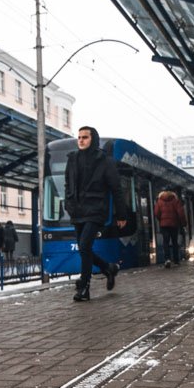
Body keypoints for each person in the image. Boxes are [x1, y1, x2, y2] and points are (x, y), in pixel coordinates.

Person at [63, 125, 128, 302]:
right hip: (77, 211)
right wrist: (69, 204)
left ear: (94, 139)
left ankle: (84, 288)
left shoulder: (105, 161)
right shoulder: (72, 159)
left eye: (85, 137)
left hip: (96, 210)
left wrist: (121, 215)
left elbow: (116, 189)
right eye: (79, 137)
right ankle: (108, 268)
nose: (81, 140)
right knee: (85, 249)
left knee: (84, 246)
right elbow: (67, 184)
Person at [154, 186, 187, 267]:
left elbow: (156, 213)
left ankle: (167, 259)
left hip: (164, 225)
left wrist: (161, 220)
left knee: (166, 242)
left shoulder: (159, 201)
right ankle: (176, 260)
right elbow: (181, 213)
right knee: (174, 242)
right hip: (174, 224)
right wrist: (184, 223)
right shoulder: (175, 200)